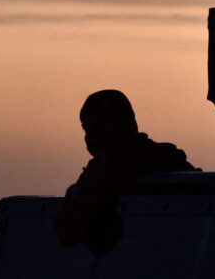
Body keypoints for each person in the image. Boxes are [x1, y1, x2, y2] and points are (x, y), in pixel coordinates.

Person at [54, 90, 197, 254]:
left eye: (97, 127)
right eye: (87, 129)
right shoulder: (166, 155)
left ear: (118, 125)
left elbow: (68, 234)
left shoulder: (105, 168)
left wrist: (75, 193)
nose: (90, 137)